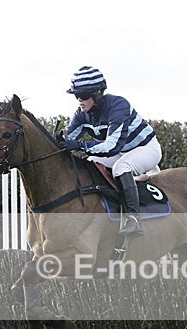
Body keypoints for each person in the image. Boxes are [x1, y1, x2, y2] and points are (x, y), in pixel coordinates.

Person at [59, 66, 162, 235]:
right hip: (121, 152)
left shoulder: (118, 105)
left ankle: (133, 219)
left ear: (97, 94)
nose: (79, 99)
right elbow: (67, 137)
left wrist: (80, 145)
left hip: (145, 148)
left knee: (121, 168)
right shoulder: (81, 113)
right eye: (76, 95)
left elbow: (111, 146)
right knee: (90, 163)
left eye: (83, 95)